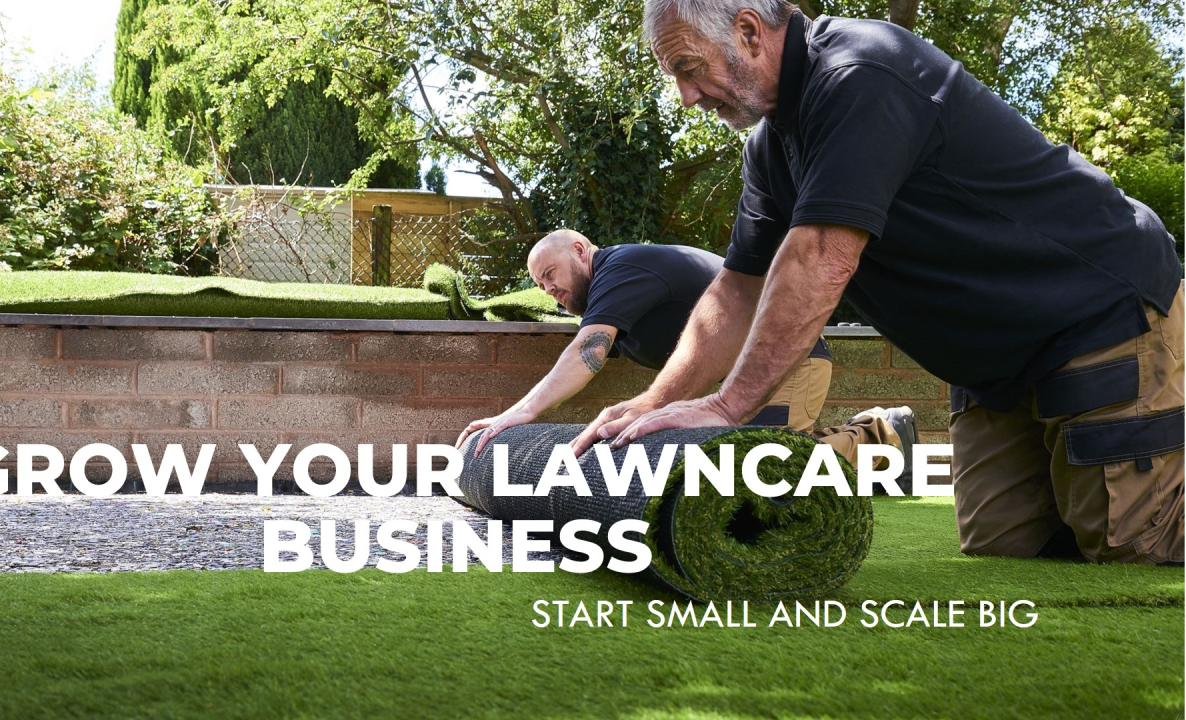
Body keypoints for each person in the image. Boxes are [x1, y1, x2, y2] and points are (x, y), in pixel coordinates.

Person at [571, 0, 1184, 565]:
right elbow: (737, 290)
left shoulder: (861, 73)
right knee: (1007, 547)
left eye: (688, 68)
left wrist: (730, 407)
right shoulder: (770, 146)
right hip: (994, 369)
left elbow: (819, 256)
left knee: (1132, 542)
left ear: (749, 32)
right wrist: (654, 407)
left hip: (1096, 312)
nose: (684, 97)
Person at [456, 229, 916, 485]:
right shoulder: (612, 296)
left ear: (580, 250)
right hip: (744, 381)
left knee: (765, 468)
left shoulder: (620, 268)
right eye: (541, 285)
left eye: (550, 274)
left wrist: (521, 412)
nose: (550, 290)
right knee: (730, 465)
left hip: (790, 359)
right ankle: (861, 434)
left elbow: (585, 354)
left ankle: (883, 435)